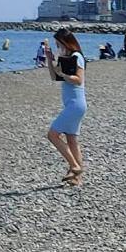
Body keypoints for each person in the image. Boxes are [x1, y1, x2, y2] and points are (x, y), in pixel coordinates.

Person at [44, 30, 87, 187]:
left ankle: (74, 166)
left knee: (52, 134)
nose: (58, 47)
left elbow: (78, 79)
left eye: (58, 45)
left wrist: (64, 74)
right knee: (71, 140)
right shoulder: (68, 59)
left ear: (66, 43)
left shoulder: (76, 57)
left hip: (76, 105)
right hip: (73, 104)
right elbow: (55, 77)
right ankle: (76, 178)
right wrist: (50, 60)